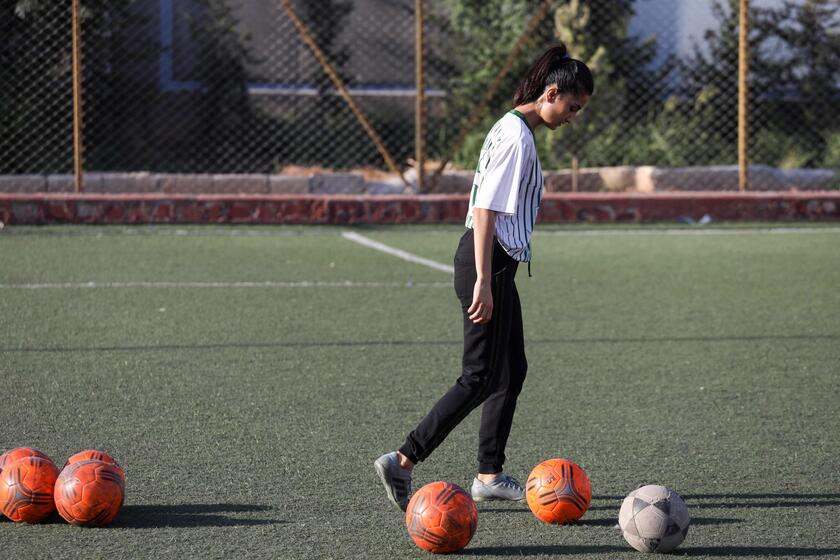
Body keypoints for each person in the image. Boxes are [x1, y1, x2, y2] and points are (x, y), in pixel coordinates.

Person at [375, 44, 594, 511]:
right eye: (572, 106)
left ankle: (489, 474)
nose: (573, 116)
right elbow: (485, 209)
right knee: (477, 377)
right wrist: (482, 280)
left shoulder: (512, 127)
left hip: (497, 265)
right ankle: (403, 459)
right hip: (486, 262)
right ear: (551, 93)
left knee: (511, 370)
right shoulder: (516, 138)